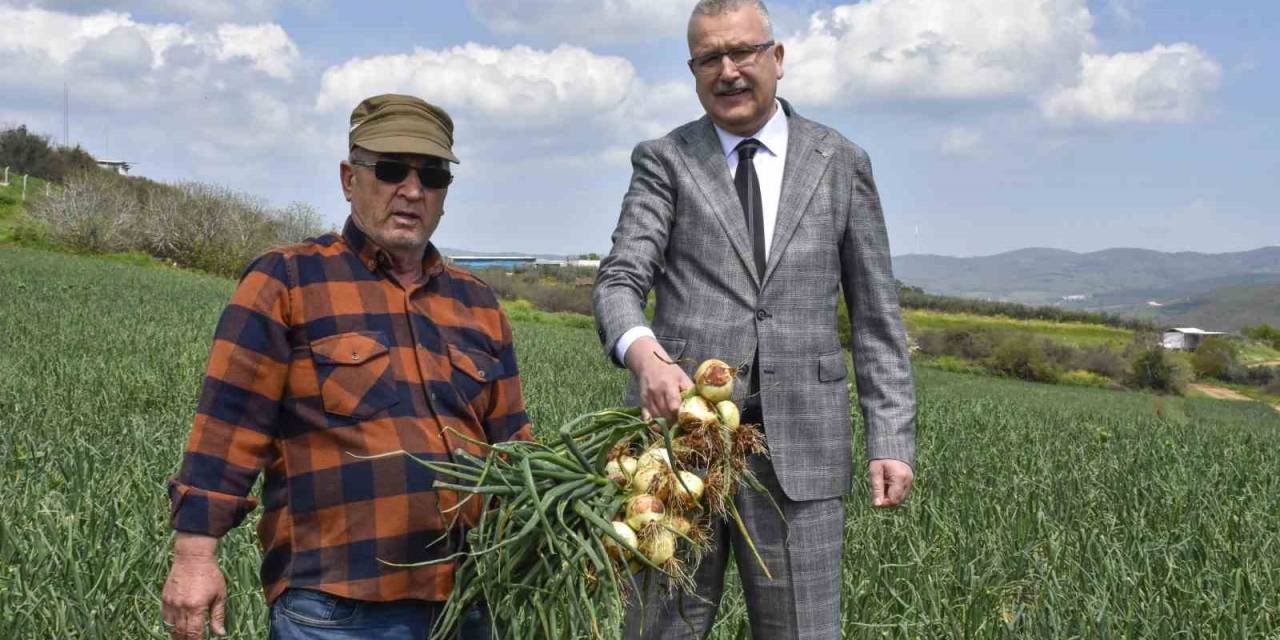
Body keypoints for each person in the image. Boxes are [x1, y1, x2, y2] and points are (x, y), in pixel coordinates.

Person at [592, 1, 917, 637]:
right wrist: (645, 353)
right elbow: (619, 278)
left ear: (777, 58)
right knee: (660, 629)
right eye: (709, 58)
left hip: (804, 449)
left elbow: (877, 316)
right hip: (680, 453)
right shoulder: (666, 159)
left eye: (742, 52)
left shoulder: (840, 161)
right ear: (693, 70)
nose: (729, 70)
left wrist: (892, 439)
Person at [161, 94, 530, 640]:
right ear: (348, 179)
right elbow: (228, 426)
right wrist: (195, 557)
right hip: (337, 607)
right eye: (390, 170)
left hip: (466, 601)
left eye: (432, 176)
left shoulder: (476, 302)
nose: (412, 190)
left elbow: (514, 445)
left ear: (445, 196)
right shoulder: (288, 279)